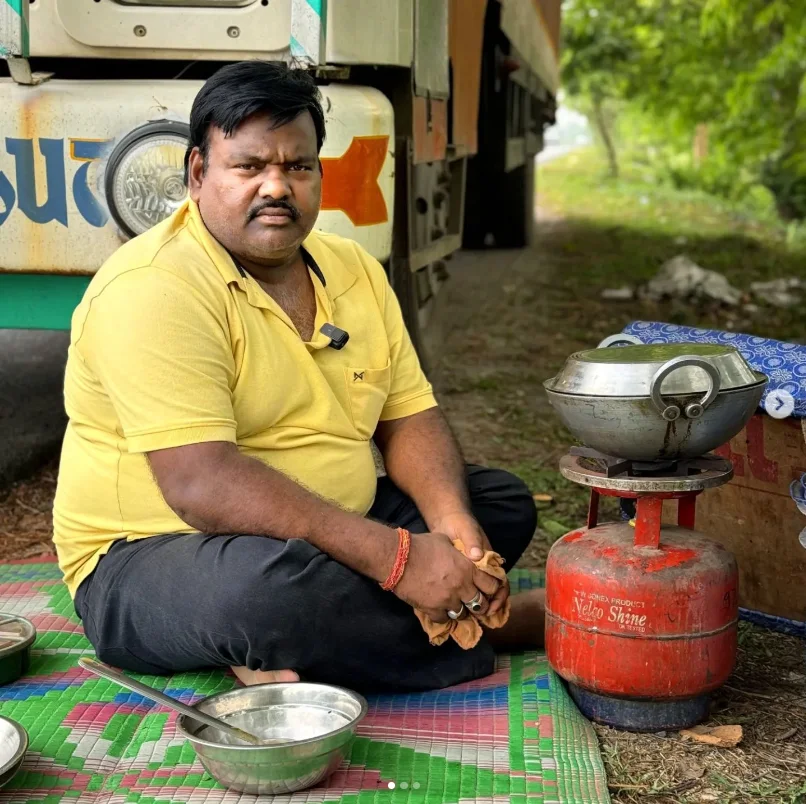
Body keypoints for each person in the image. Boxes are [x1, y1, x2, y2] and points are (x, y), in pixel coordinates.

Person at [53, 61, 543, 693]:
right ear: (199, 174)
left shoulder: (353, 267)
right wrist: (396, 560)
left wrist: (453, 528)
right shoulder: (154, 288)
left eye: (297, 166)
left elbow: (409, 417)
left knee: (498, 504)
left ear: (319, 175)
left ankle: (309, 642)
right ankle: (493, 628)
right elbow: (200, 483)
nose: (276, 187)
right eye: (250, 166)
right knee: (270, 597)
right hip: (158, 550)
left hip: (329, 518)